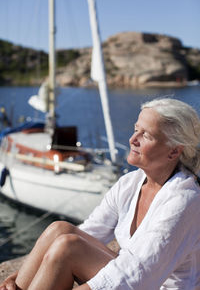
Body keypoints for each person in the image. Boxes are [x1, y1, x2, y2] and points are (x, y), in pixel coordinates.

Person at [1, 97, 200, 290]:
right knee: (59, 230)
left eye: (146, 135)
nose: (132, 140)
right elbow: (89, 232)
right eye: (135, 130)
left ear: (174, 152)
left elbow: (138, 275)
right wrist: (23, 275)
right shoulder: (130, 184)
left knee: (68, 247)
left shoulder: (184, 200)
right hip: (137, 280)